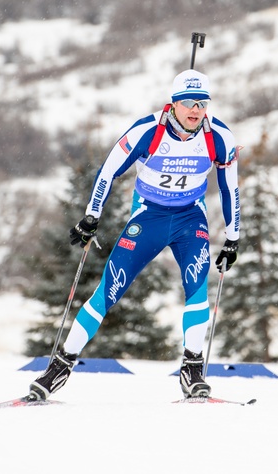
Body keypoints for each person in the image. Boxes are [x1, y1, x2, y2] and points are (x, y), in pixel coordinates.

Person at [26, 68, 241, 401]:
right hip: (149, 217)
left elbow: (230, 188)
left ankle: (192, 370)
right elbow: (108, 171)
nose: (196, 110)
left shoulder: (219, 137)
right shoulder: (147, 131)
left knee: (198, 290)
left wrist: (233, 236)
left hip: (189, 220)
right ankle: (59, 368)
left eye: (202, 103)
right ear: (173, 104)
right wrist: (91, 217)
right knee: (107, 292)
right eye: (188, 102)